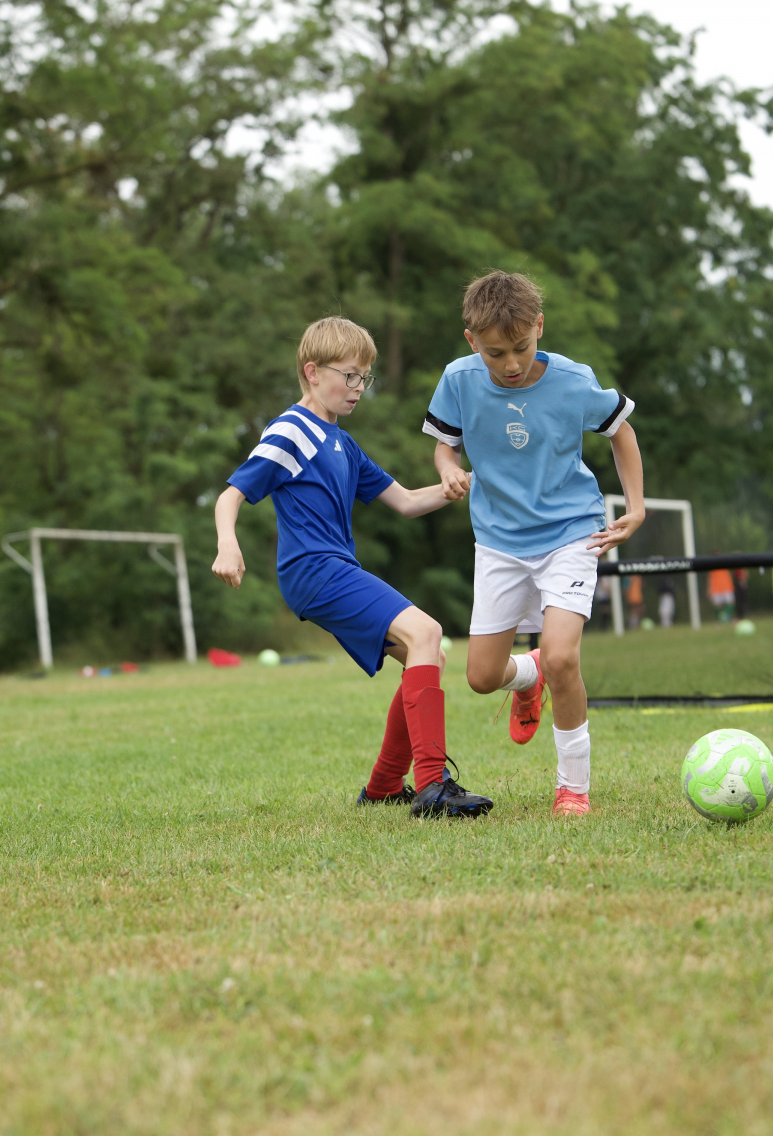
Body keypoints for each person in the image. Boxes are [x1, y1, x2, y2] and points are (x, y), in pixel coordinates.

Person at [211, 316, 493, 819]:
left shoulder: (343, 442)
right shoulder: (292, 430)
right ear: (312, 372)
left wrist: (461, 482)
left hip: (333, 567)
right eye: (350, 375)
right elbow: (231, 495)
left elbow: (406, 501)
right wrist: (227, 545)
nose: (359, 387)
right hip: (314, 569)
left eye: (365, 377)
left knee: (427, 654)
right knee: (428, 631)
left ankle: (384, 787)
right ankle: (433, 787)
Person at [426, 271, 646, 817]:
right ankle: (530, 675)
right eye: (495, 353)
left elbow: (621, 431)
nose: (511, 364)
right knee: (481, 678)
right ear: (472, 341)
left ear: (539, 327)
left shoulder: (573, 380)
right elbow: (446, 446)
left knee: (564, 656)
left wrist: (636, 506)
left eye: (521, 347)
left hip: (572, 531)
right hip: (498, 541)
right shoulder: (457, 380)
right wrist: (448, 470)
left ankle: (573, 789)